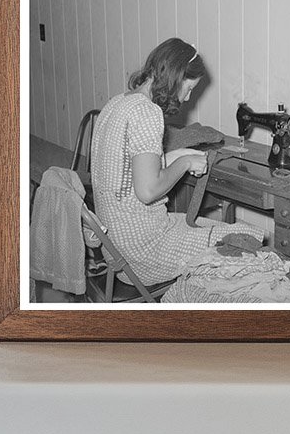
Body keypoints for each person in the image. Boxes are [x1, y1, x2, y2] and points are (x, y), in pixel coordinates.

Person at [90, 37, 264, 286]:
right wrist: (184, 165)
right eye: (189, 88)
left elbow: (129, 170)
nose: (187, 98)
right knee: (246, 237)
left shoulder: (117, 104)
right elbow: (148, 191)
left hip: (115, 248)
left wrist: (177, 156)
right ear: (175, 78)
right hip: (143, 253)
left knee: (207, 226)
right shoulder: (148, 113)